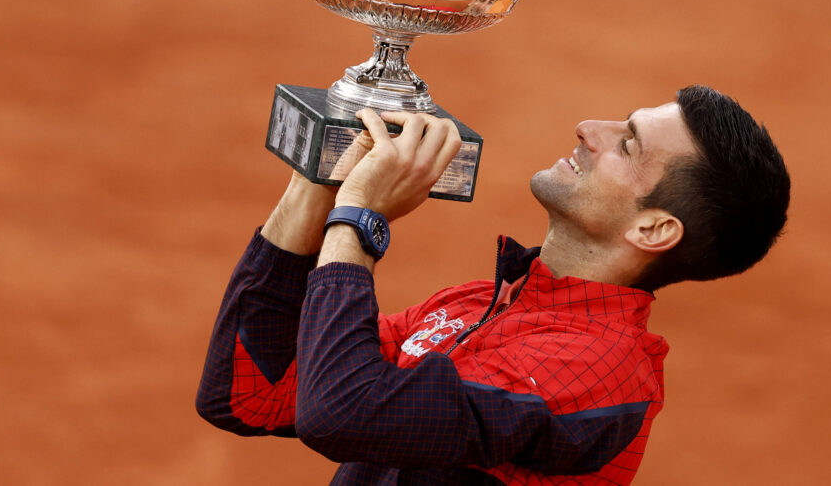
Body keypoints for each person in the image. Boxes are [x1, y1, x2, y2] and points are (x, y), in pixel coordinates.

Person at [196, 85, 790, 485]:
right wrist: (319, 182)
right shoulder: (478, 304)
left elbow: (340, 412)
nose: (589, 128)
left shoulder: (596, 370)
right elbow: (251, 396)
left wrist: (360, 215)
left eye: (627, 142)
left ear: (655, 228)